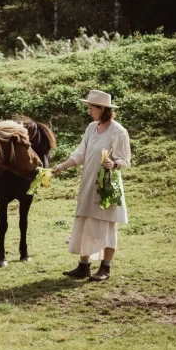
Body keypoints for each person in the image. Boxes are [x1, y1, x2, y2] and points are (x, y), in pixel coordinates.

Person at [51, 89, 131, 282]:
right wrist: (61, 166)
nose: (89, 111)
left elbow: (124, 159)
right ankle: (84, 266)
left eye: (91, 108)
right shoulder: (91, 128)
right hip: (88, 183)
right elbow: (80, 153)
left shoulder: (118, 131)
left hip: (106, 185)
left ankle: (105, 268)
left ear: (102, 108)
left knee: (107, 225)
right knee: (85, 221)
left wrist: (114, 164)